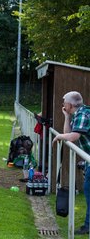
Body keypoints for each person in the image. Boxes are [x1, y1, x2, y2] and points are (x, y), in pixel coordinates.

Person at [52, 91, 90, 235]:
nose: (63, 105)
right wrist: (67, 117)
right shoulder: (77, 114)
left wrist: (59, 136)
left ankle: (88, 226)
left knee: (88, 190)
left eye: (64, 102)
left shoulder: (82, 114)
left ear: (69, 104)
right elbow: (69, 133)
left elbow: (72, 136)